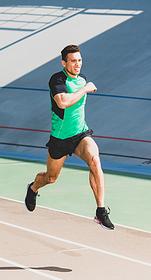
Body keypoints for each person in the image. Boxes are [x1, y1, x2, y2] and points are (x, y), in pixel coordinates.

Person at [24, 44, 115, 230]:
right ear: (64, 62)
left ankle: (100, 210)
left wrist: (85, 86)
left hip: (81, 134)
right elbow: (63, 102)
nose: (77, 64)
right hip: (60, 139)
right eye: (73, 61)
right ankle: (33, 188)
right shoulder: (57, 79)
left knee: (95, 161)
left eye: (80, 60)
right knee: (50, 178)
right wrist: (85, 89)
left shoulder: (82, 78)